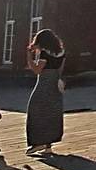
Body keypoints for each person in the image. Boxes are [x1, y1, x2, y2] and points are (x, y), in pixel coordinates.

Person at [25, 28, 66, 156]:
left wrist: (29, 57)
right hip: (55, 84)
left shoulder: (44, 53)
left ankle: (38, 142)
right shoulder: (61, 52)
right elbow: (60, 70)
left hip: (43, 84)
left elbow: (37, 70)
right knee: (52, 114)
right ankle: (48, 145)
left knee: (35, 111)